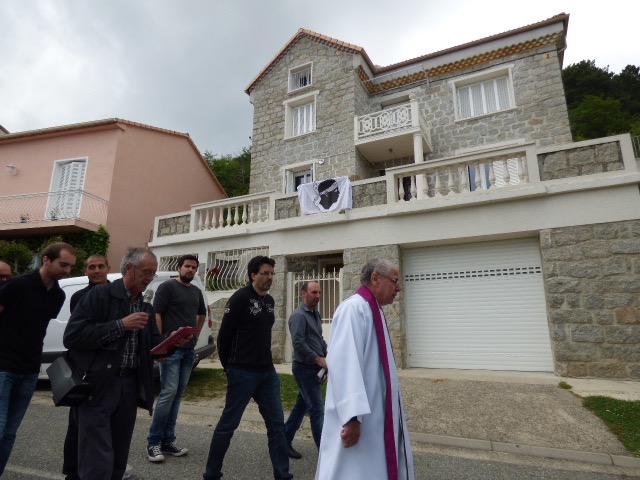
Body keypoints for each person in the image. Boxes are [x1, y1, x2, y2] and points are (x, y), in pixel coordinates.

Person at [63, 248, 188, 480]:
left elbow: (152, 345)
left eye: (153, 272)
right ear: (129, 269)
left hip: (129, 386)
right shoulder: (100, 295)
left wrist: (171, 343)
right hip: (98, 386)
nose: (151, 277)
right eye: (147, 272)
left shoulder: (145, 306)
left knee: (119, 454)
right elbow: (73, 336)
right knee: (96, 458)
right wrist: (120, 325)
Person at [315, 258, 415, 480]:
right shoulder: (353, 309)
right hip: (359, 420)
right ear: (376, 278)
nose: (399, 287)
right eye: (395, 281)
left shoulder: (373, 310)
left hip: (375, 416)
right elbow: (344, 364)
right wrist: (352, 418)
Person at [203, 256, 292, 480]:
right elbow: (224, 337)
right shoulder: (240, 298)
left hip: (267, 373)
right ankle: (211, 474)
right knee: (228, 424)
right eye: (265, 273)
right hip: (242, 372)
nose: (270, 277)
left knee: (277, 425)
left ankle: (283, 475)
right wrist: (229, 368)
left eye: (272, 273)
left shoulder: (269, 301)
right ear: (253, 275)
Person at [0, 242, 77, 476]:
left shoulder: (58, 295)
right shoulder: (17, 285)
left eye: (70, 267)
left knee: (10, 433)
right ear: (46, 260)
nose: (67, 271)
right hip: (3, 367)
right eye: (63, 264)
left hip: (30, 370)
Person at [146, 254, 206, 462]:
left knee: (177, 395)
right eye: (187, 266)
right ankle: (153, 442)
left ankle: (168, 440)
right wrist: (161, 343)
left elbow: (202, 314)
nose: (190, 270)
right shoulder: (167, 287)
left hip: (188, 351)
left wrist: (196, 334)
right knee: (168, 392)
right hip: (171, 351)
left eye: (194, 267)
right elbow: (157, 314)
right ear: (179, 267)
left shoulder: (196, 291)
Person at [62, 254, 111, 480]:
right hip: (85, 369)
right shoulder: (80, 297)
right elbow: (84, 332)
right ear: (86, 271)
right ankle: (73, 473)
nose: (97, 270)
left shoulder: (118, 294)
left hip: (110, 370)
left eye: (101, 266)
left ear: (108, 268)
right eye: (92, 267)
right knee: (77, 424)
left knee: (106, 428)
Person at [284, 281, 327, 459]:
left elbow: (318, 338)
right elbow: (299, 344)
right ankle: (326, 454)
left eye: (319, 293)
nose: (318, 296)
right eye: (314, 292)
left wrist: (328, 355)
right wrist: (318, 359)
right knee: (317, 410)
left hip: (315, 368)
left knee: (301, 407)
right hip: (304, 369)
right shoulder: (299, 316)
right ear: (303, 293)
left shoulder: (315, 314)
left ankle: (283, 441)